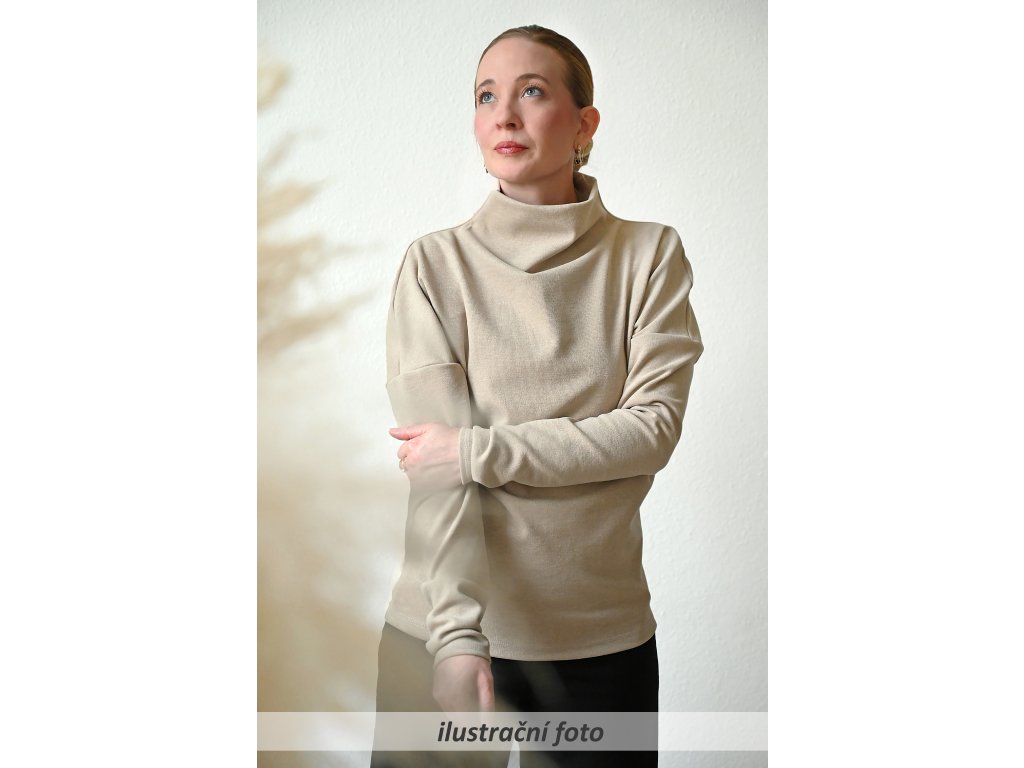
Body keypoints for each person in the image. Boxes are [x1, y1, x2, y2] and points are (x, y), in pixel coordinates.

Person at [372, 24, 703, 768]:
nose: (504, 115)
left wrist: (476, 451)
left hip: (599, 640)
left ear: (585, 124)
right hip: (442, 632)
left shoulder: (649, 255)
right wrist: (457, 637)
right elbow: (435, 474)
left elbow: (651, 429)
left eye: (531, 91)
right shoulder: (434, 266)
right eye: (486, 96)